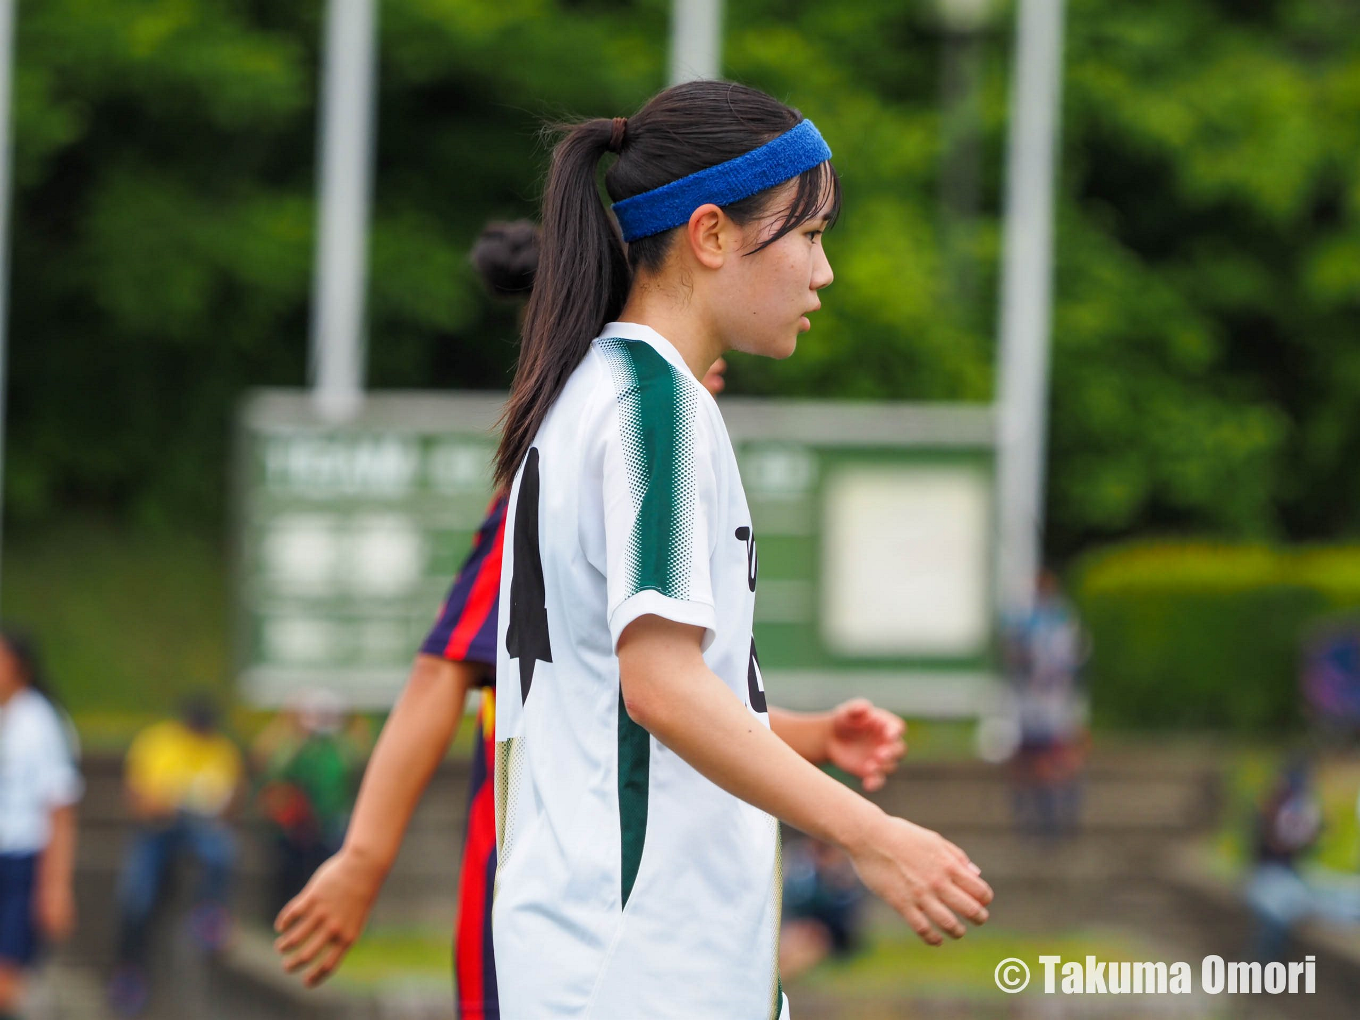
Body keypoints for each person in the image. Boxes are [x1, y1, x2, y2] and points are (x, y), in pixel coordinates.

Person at [299, 79, 993, 1017]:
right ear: (710, 236)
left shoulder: (587, 393)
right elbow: (659, 689)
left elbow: (635, 693)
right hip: (644, 966)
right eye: (812, 235)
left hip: (608, 958)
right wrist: (871, 835)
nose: (824, 272)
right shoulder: (654, 410)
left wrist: (814, 738)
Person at [273, 221, 740, 1019]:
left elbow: (671, 700)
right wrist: (363, 857)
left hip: (627, 889)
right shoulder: (564, 478)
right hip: (552, 896)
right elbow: (445, 668)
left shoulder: (657, 474)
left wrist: (817, 739)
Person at [108, 696, 243, 1015]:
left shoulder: (221, 748)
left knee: (222, 850)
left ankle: (210, 912)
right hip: (156, 828)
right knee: (135, 897)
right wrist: (163, 804)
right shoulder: (157, 741)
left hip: (199, 826)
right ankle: (129, 971)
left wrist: (211, 805)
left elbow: (233, 798)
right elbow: (136, 798)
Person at [0, 628, 81, 1020]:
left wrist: (55, 887)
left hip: (21, 859)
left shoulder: (41, 722)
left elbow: (60, 809)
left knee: (8, 977)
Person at [251, 690, 369, 920]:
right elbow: (265, 760)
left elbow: (360, 754)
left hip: (331, 823)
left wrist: (348, 719)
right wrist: (289, 725)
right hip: (296, 826)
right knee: (289, 866)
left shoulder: (339, 748)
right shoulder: (294, 747)